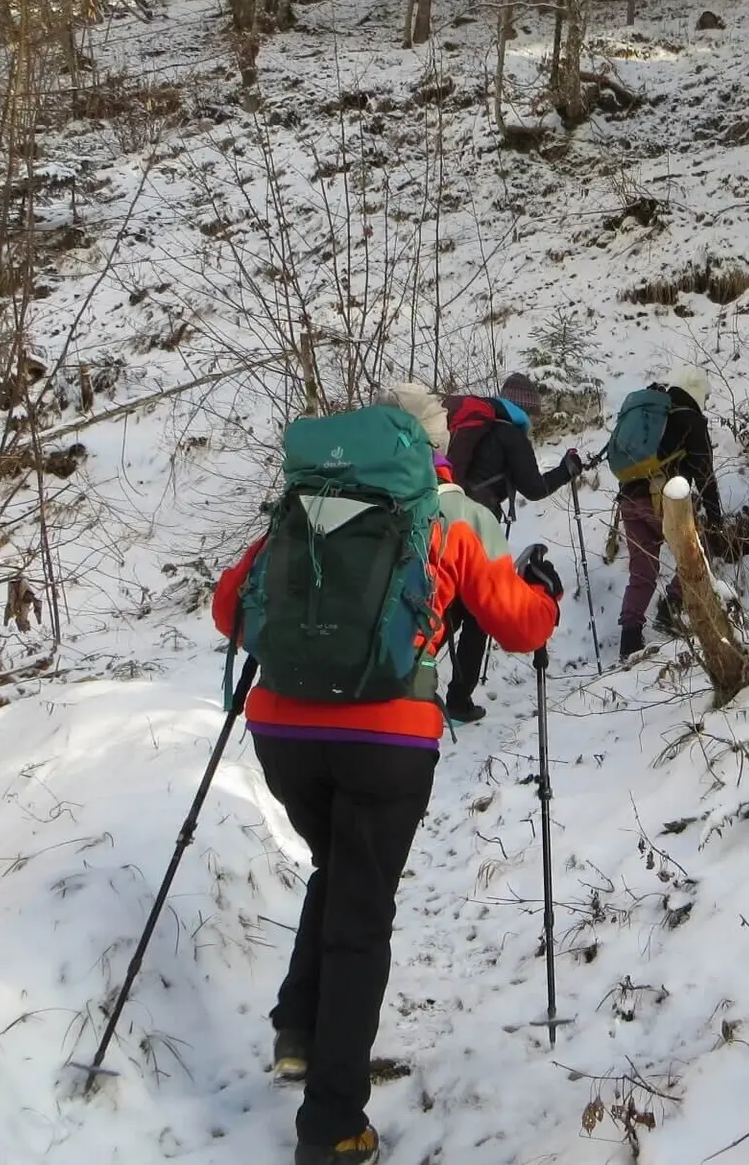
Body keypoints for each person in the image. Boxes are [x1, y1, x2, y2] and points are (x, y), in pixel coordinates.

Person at [213, 388, 563, 1165]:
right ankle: (333, 1126)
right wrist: (546, 595)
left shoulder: (300, 510)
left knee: (338, 867)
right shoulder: (440, 515)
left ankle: (299, 1030)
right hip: (385, 736)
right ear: (426, 448)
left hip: (280, 730)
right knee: (361, 916)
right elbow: (516, 625)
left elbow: (229, 608)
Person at [442, 373, 581, 723]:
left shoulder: (465, 426)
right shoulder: (509, 434)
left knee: (445, 610)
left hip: (442, 524)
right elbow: (533, 488)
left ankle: (399, 685)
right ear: (525, 409)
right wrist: (566, 470)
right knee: (477, 615)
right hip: (477, 530)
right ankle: (458, 702)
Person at [617, 365, 722, 659]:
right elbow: (706, 477)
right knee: (696, 552)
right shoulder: (690, 419)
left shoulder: (653, 414)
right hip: (660, 501)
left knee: (643, 572)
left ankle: (629, 639)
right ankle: (673, 608)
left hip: (629, 499)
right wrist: (716, 523)